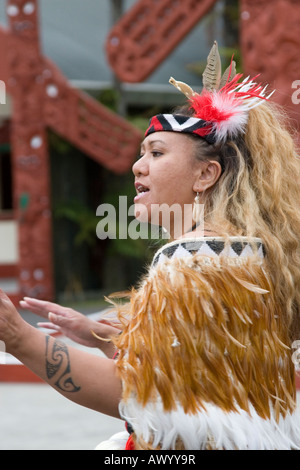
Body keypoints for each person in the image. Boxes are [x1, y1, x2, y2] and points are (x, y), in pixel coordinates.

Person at [1, 41, 300, 450]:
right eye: (142, 153)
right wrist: (105, 337)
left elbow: (141, 396)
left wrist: (18, 336)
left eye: (156, 152)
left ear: (206, 175)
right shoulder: (254, 253)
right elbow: (207, 370)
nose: (137, 166)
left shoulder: (192, 260)